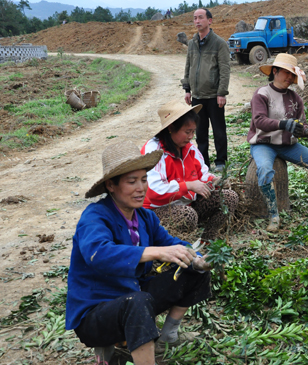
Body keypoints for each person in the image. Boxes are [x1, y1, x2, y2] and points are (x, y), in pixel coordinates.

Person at [66, 141, 212, 365]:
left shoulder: (145, 217)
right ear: (111, 186)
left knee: (192, 270)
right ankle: (118, 348)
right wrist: (154, 252)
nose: (141, 188)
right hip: (96, 313)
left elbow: (170, 242)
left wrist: (196, 257)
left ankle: (167, 337)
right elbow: (98, 254)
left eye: (144, 180)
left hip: (132, 296)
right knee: (137, 302)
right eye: (131, 182)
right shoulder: (95, 216)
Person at [248, 53, 308, 232]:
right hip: (263, 143)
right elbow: (259, 121)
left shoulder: (295, 99)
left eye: (292, 75)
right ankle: (273, 215)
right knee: (265, 170)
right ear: (274, 71)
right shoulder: (262, 94)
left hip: (289, 145)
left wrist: (307, 132)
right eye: (286, 73)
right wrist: (283, 124)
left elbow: (301, 124)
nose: (290, 78)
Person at [141, 100, 238, 242]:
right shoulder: (154, 151)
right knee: (187, 216)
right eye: (187, 132)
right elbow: (154, 192)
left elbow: (202, 174)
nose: (191, 136)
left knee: (229, 198)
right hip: (156, 211)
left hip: (186, 204)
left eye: (193, 131)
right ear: (171, 128)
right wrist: (189, 185)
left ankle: (207, 241)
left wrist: (214, 180)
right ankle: (176, 247)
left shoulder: (189, 148)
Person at [181, 8, 230, 173]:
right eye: (195, 18)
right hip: (197, 96)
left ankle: (221, 161)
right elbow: (188, 66)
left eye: (200, 18)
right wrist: (187, 89)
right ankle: (204, 163)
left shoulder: (219, 43)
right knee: (200, 132)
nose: (197, 21)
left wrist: (222, 93)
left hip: (214, 96)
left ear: (210, 21)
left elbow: (224, 70)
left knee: (218, 130)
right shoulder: (192, 43)